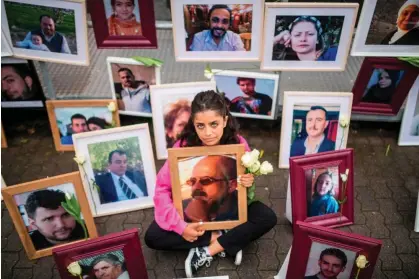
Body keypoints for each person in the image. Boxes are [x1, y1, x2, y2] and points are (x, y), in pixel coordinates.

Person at [144, 90, 277, 278]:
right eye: (200, 125)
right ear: (194, 124)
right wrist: (181, 228)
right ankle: (225, 240)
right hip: (193, 217)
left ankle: (206, 250)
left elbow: (242, 182)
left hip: (229, 210)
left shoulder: (238, 144)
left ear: (224, 120)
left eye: (214, 124)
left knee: (267, 217)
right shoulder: (182, 146)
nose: (208, 133)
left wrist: (248, 180)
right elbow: (162, 188)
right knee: (153, 237)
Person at [182, 155, 238, 222]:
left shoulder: (244, 212)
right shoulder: (182, 209)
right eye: (193, 181)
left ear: (231, 185)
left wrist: (202, 220)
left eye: (206, 180)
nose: (196, 187)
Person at [273, 16, 337, 61]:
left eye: (310, 34)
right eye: (297, 35)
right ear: (290, 39)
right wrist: (276, 39)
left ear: (317, 39)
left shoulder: (333, 54)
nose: (303, 39)